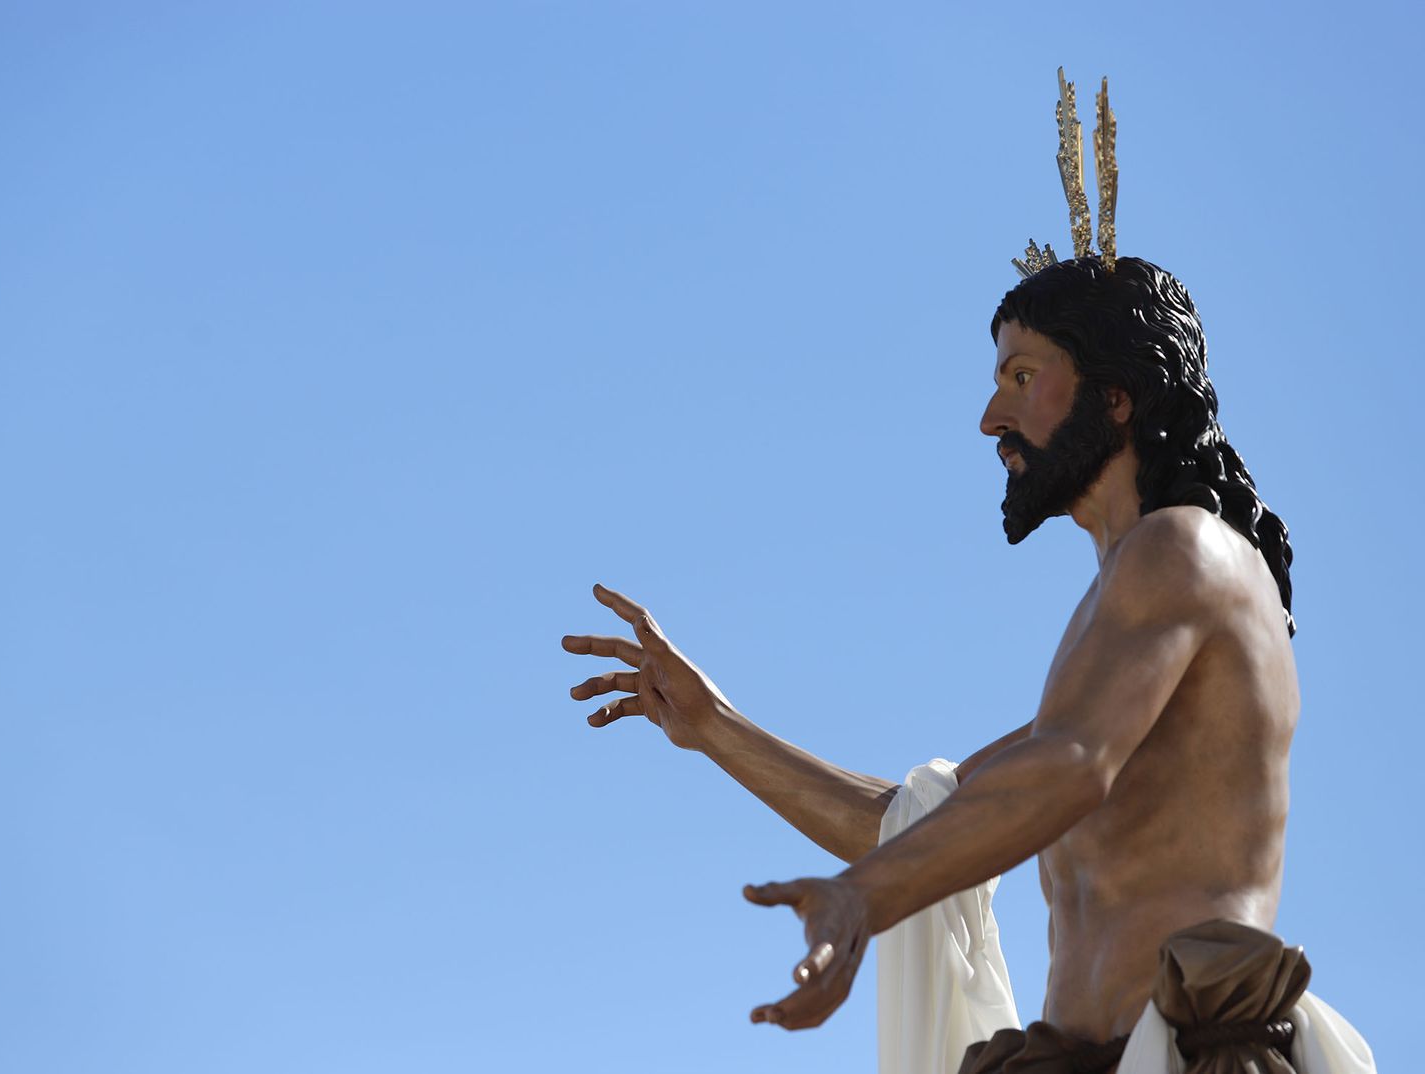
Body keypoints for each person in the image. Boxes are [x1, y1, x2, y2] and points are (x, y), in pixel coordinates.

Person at [561, 253, 1376, 1072]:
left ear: (1117, 397)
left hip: (1193, 1053)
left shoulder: (1185, 549)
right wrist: (716, 727)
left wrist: (865, 900)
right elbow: (925, 823)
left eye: (1023, 377)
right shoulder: (1119, 631)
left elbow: (1069, 766)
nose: (991, 417)